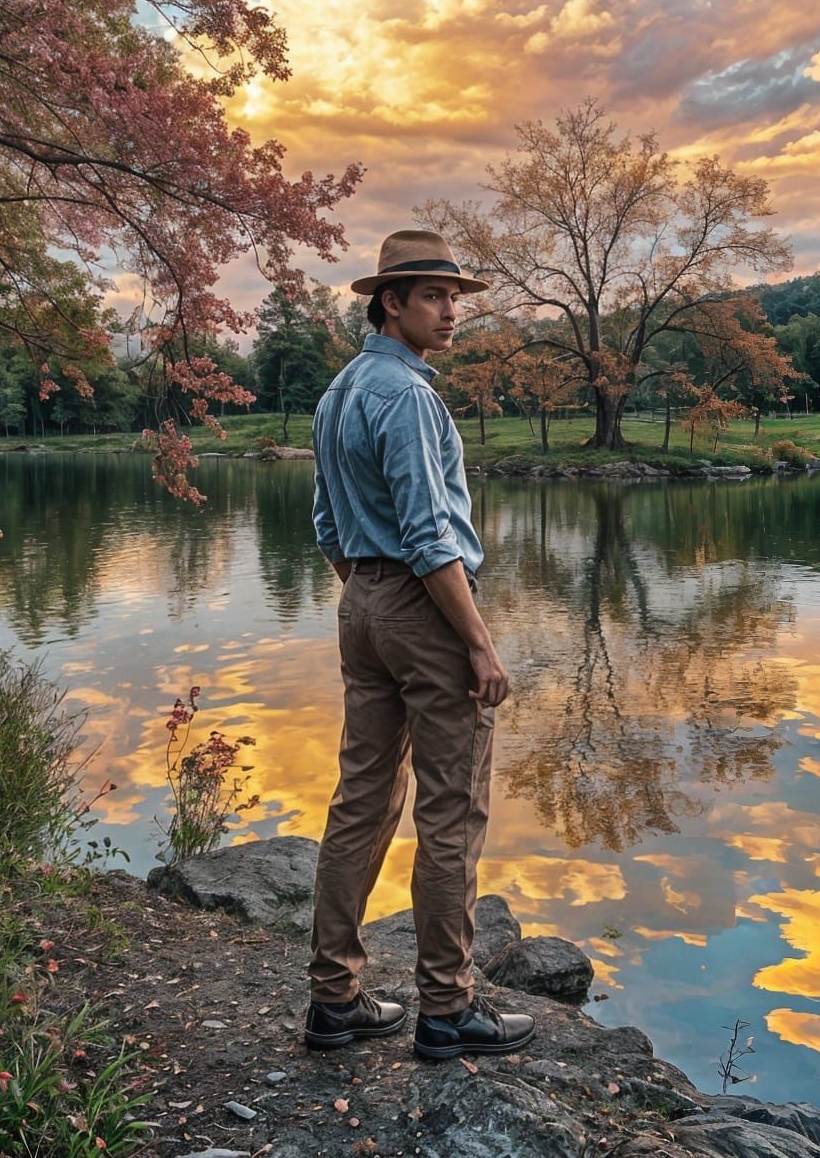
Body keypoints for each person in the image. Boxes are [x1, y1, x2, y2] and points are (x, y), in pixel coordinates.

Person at [305, 229, 536, 1062]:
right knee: (452, 810)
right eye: (432, 295)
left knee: (360, 798)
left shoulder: (339, 391)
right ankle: (445, 1010)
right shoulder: (403, 395)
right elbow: (430, 532)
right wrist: (476, 643)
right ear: (389, 302)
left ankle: (333, 1000)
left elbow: (327, 520)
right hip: (422, 605)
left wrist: (367, 595)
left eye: (454, 296)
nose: (450, 311)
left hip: (362, 601)